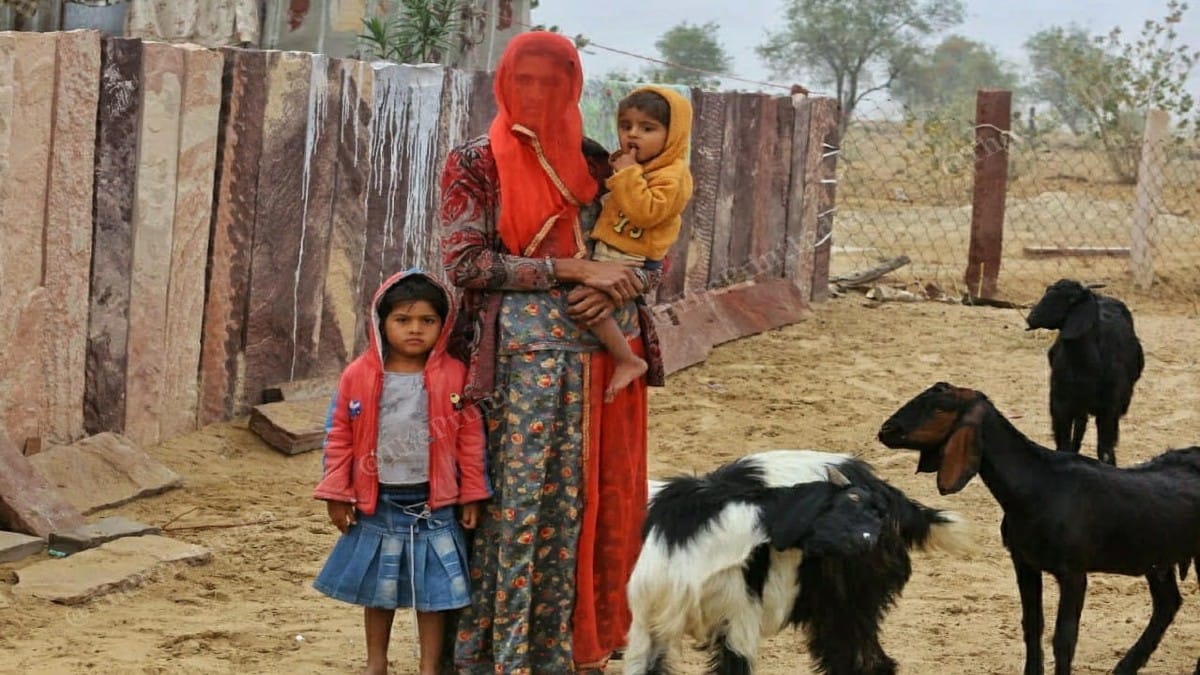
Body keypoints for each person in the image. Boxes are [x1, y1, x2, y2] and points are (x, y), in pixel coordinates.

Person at [439, 31, 664, 674]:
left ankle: (578, 644)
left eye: (552, 83)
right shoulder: (475, 162)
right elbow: (465, 263)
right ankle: (503, 650)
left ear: (574, 89)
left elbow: (651, 249)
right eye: (524, 82)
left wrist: (618, 286)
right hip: (516, 369)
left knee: (591, 503)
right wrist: (569, 270)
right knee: (517, 505)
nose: (536, 94)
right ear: (505, 86)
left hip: (599, 363)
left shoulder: (597, 164)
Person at [312, 270, 490, 675]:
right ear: (382, 321)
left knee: (435, 594)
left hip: (434, 503)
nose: (415, 330)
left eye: (427, 321)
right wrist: (337, 493)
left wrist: (473, 492)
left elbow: (470, 438)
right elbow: (338, 434)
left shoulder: (454, 376)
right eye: (403, 320)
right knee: (379, 591)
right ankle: (377, 662)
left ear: (443, 326)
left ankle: (429, 667)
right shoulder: (358, 374)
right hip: (378, 504)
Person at [588, 86, 693, 401]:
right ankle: (624, 357)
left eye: (648, 128)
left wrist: (628, 175)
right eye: (625, 126)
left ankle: (627, 360)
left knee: (585, 304)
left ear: (672, 134)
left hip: (631, 259)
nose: (633, 135)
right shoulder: (637, 165)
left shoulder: (673, 176)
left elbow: (646, 213)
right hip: (615, 251)